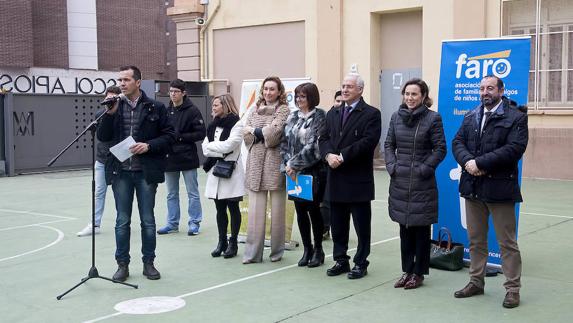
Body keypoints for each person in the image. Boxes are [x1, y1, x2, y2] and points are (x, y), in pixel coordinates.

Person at [452, 75, 528, 308]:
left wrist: (480, 163)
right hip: (473, 187)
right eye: (482, 88)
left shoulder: (516, 117)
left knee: (507, 243)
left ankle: (512, 289)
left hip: (500, 188)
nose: (485, 92)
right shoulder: (471, 115)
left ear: (501, 91)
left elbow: (514, 148)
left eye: (490, 88)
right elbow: (457, 142)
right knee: (475, 241)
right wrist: (468, 163)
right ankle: (476, 281)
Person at [97, 65, 175, 282]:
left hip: (145, 172)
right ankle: (122, 265)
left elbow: (169, 137)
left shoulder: (155, 108)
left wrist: (148, 146)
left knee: (148, 221)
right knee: (122, 221)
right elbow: (103, 137)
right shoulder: (113, 106)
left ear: (138, 82)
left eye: (126, 80)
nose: (122, 83)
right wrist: (110, 115)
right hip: (120, 172)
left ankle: (149, 263)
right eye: (120, 79)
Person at [384, 78, 446, 289]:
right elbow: (389, 144)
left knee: (420, 229)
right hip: (400, 180)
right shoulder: (396, 117)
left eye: (414, 94)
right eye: (407, 94)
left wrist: (424, 168)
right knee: (405, 228)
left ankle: (418, 273)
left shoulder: (433, 118)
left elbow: (440, 148)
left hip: (422, 183)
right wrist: (392, 165)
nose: (410, 98)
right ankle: (407, 270)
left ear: (423, 97)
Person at [318, 73, 381, 279]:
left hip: (357, 180)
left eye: (349, 87)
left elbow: (368, 141)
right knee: (338, 224)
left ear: (360, 90)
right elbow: (323, 138)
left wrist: (342, 156)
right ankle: (341, 259)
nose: (344, 90)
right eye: (343, 86)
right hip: (335, 178)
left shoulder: (371, 114)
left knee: (362, 226)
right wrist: (328, 155)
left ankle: (361, 262)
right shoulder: (333, 114)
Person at [242, 76, 290, 264]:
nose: (268, 92)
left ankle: (277, 252)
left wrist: (255, 130)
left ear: (279, 91)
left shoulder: (284, 110)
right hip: (255, 163)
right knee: (255, 212)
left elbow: (274, 134)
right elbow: (245, 134)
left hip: (274, 163)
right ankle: (253, 254)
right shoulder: (254, 109)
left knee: (278, 211)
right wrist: (258, 131)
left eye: (272, 89)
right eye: (266, 89)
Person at [280, 82, 327, 268]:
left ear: (311, 98)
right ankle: (307, 249)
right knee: (300, 211)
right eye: (297, 96)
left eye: (303, 96)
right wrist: (287, 164)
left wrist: (293, 164)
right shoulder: (292, 117)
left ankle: (318, 249)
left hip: (312, 172)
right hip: (293, 174)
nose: (299, 100)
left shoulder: (320, 116)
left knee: (313, 211)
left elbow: (315, 146)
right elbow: (284, 143)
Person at [157, 79, 206, 236]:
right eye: (171, 91)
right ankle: (172, 223)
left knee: (192, 192)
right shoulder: (165, 110)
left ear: (183, 93)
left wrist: (180, 137)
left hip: (187, 157)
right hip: (169, 158)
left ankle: (194, 222)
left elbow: (201, 133)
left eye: (176, 91)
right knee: (171, 193)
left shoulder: (193, 110)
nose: (172, 94)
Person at [202, 94, 245, 258]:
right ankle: (222, 241)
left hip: (231, 170)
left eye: (216, 105)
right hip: (216, 169)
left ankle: (233, 243)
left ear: (225, 105)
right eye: (213, 105)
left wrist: (213, 147)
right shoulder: (213, 124)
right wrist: (215, 148)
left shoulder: (237, 123)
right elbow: (204, 148)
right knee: (219, 208)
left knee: (233, 207)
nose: (213, 108)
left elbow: (230, 145)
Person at [77, 85, 121, 237]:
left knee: (119, 193)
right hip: (102, 159)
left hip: (118, 160)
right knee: (99, 192)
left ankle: (121, 223)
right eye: (107, 98)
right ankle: (95, 224)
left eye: (113, 98)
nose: (110, 101)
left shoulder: (125, 115)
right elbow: (102, 136)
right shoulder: (100, 114)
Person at [321, 90, 343, 240]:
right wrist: (328, 155)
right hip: (327, 164)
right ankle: (325, 227)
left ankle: (337, 228)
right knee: (325, 200)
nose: (339, 104)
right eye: (337, 101)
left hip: (344, 162)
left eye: (342, 101)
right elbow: (323, 138)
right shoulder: (329, 116)